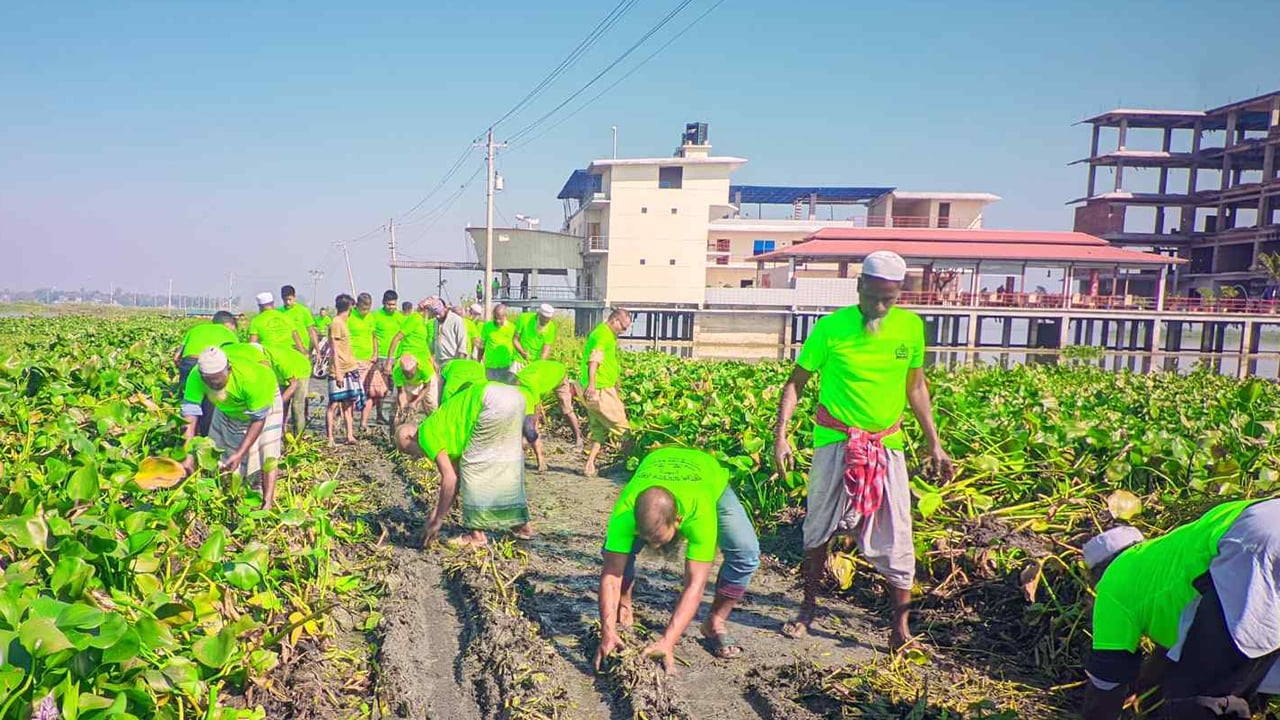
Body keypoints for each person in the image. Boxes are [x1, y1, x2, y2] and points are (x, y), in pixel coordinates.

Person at [773, 250, 953, 651]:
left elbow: (916, 387)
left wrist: (934, 442)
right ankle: (807, 608)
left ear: (899, 293)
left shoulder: (910, 327)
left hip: (886, 445)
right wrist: (781, 435)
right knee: (817, 528)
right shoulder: (830, 328)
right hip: (834, 441)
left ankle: (899, 629)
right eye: (873, 297)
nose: (879, 306)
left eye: (888, 299)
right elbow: (795, 383)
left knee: (899, 535)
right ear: (859, 286)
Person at [1081, 499, 1280, 720]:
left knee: (1196, 701)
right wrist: (1142, 687)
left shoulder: (1112, 583)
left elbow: (1108, 677)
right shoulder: (1162, 556)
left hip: (1252, 545)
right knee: (1255, 676)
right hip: (1266, 515)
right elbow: (1177, 649)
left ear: (1097, 576)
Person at [594, 447, 760, 673]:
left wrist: (667, 641)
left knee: (746, 553)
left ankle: (714, 622)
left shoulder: (700, 513)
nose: (654, 547)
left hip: (706, 475)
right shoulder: (625, 511)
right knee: (617, 552)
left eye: (659, 539)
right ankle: (624, 605)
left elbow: (695, 585)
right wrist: (607, 631)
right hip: (656, 463)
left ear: (679, 521)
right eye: (647, 539)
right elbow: (611, 575)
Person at [394, 381, 534, 547]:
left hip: (489, 401)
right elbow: (454, 479)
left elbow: (450, 479)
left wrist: (437, 520)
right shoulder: (443, 427)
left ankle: (477, 535)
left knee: (473, 469)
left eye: (410, 451)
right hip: (515, 397)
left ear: (410, 437)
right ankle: (522, 527)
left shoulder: (426, 434)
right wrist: (436, 514)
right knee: (505, 464)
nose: (417, 456)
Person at [180, 346, 284, 509]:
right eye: (209, 381)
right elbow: (189, 416)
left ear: (229, 369)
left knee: (267, 450)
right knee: (217, 450)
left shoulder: (252, 378)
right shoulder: (196, 376)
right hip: (226, 405)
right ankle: (227, 496)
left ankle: (267, 503)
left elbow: (258, 420)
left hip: (263, 404)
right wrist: (188, 456)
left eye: (217, 381)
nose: (213, 385)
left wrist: (240, 454)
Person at [580, 307, 632, 477]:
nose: (624, 331)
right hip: (600, 390)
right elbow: (594, 360)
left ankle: (589, 466)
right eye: (623, 327)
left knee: (599, 430)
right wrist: (592, 385)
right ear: (615, 321)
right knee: (624, 429)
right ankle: (629, 464)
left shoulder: (607, 334)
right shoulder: (602, 335)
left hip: (601, 388)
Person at [223, 342, 311, 438]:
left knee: (296, 406)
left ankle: (299, 437)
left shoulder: (278, 360)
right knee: (283, 406)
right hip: (282, 375)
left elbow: (293, 385)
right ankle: (281, 434)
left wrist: (276, 405)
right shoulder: (256, 357)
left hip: (300, 370)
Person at [173, 311, 239, 436]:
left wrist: (182, 370)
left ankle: (187, 437)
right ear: (228, 325)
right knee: (210, 405)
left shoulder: (196, 329)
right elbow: (234, 357)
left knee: (189, 405)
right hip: (212, 369)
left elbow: (176, 356)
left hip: (189, 362)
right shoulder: (229, 334)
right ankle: (205, 436)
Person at [513, 359, 580, 471]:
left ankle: (578, 440)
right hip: (544, 369)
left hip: (559, 373)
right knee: (526, 431)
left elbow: (536, 413)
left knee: (567, 410)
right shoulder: (516, 383)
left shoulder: (533, 389)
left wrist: (534, 427)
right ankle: (528, 453)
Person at [326, 294, 364, 446]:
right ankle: (330, 437)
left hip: (349, 367)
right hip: (338, 370)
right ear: (349, 308)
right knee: (334, 404)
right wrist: (338, 372)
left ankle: (350, 435)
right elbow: (334, 349)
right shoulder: (336, 323)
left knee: (349, 404)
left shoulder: (343, 322)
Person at [366, 290, 401, 425]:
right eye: (389, 304)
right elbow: (372, 335)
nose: (391, 307)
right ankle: (379, 414)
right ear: (383, 303)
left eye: (393, 304)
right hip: (380, 357)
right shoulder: (376, 316)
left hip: (396, 358)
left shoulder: (400, 317)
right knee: (380, 390)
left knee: (395, 389)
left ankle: (395, 415)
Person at [347, 293, 377, 432]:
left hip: (368, 360)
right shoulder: (349, 316)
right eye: (363, 309)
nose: (365, 312)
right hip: (353, 360)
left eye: (368, 308)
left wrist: (375, 353)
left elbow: (374, 336)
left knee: (370, 393)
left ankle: (363, 423)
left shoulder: (371, 317)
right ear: (357, 305)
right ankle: (349, 424)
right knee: (353, 394)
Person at [423, 297, 469, 373]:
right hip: (440, 363)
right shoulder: (436, 322)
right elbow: (435, 341)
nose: (437, 316)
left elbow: (462, 345)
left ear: (445, 308)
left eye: (438, 313)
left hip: (453, 362)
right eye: (435, 315)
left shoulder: (456, 320)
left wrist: (460, 366)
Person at [478, 303, 517, 383]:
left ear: (505, 316)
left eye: (500, 319)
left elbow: (516, 346)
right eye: (495, 318)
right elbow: (482, 346)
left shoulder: (512, 328)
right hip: (490, 367)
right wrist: (478, 360)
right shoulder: (487, 327)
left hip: (506, 367)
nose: (497, 321)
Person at [393, 354, 438, 421]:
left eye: (410, 373)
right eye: (406, 373)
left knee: (432, 404)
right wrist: (403, 405)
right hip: (409, 383)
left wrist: (416, 402)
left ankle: (434, 421)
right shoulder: (397, 371)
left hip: (427, 381)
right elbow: (401, 392)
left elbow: (426, 387)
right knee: (402, 408)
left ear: (416, 366)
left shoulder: (425, 369)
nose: (408, 375)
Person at [278, 285, 319, 355]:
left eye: (290, 299)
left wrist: (317, 350)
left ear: (294, 297)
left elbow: (311, 331)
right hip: (286, 349)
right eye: (285, 300)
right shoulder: (278, 312)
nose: (288, 302)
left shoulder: (303, 311)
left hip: (302, 349)